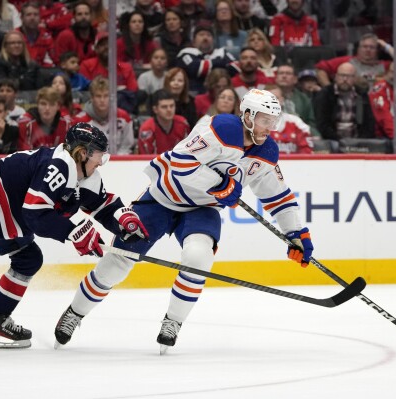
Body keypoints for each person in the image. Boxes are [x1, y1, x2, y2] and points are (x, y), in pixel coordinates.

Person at [53, 89, 314, 354]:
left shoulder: (267, 152)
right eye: (264, 119)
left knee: (198, 257)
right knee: (118, 260)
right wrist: (219, 183)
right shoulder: (220, 128)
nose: (270, 127)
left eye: (274, 120)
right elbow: (180, 162)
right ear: (247, 115)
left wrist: (296, 233)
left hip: (201, 209)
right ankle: (75, 312)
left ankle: (173, 322)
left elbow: (278, 196)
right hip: (162, 198)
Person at [0, 122, 148, 358]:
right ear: (83, 153)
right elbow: (35, 215)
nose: (100, 163)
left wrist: (123, 220)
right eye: (99, 157)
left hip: (7, 212)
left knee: (28, 259)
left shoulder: (85, 175)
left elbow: (102, 206)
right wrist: (73, 232)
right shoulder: (59, 166)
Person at [313, 62, 375, 145]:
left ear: (355, 78)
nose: (345, 79)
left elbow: (369, 124)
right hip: (332, 140)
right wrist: (341, 141)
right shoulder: (325, 94)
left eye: (349, 76)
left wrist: (359, 141)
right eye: (342, 75)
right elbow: (322, 125)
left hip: (358, 141)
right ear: (336, 77)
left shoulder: (361, 95)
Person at [73, 76, 135, 154]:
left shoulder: (124, 117)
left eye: (106, 96)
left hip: (118, 163)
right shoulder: (80, 122)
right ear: (92, 98)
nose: (102, 100)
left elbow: (127, 146)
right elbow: (78, 149)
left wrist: (116, 161)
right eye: (98, 96)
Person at [176, 24, 237, 95]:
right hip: (193, 95)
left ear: (213, 40)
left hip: (221, 95)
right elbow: (197, 69)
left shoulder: (221, 52)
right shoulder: (186, 52)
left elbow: (235, 68)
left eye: (208, 35)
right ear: (194, 40)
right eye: (201, 35)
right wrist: (221, 63)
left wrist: (207, 64)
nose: (205, 38)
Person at [138, 89, 190, 154]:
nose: (169, 110)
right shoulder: (147, 129)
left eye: (172, 106)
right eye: (164, 107)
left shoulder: (183, 123)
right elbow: (144, 159)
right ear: (155, 109)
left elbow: (188, 152)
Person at [17, 1, 55, 68]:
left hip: (40, 72)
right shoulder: (15, 35)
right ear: (21, 18)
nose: (32, 18)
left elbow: (54, 60)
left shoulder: (46, 36)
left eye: (36, 14)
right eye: (28, 15)